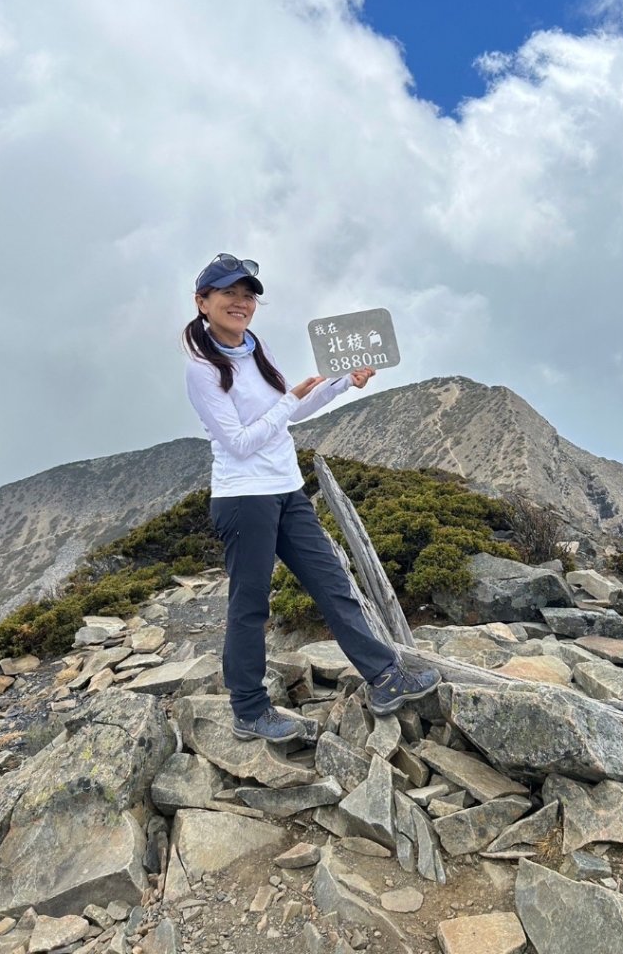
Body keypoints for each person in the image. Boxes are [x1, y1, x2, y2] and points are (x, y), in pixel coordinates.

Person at [183, 254, 441, 743]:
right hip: (245, 499)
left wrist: (343, 384)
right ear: (203, 302)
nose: (241, 302)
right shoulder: (202, 370)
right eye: (228, 293)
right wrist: (287, 400)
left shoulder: (255, 350)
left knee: (333, 583)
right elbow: (240, 441)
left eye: (248, 294)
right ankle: (250, 709)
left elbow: (292, 412)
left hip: (286, 491)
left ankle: (384, 677)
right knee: (250, 605)